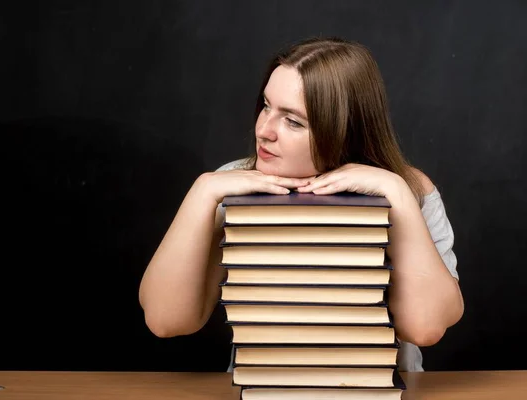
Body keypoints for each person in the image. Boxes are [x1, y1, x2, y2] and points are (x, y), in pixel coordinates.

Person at [138, 36, 464, 372]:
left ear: (345, 131)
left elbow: (425, 326)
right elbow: (165, 320)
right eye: (266, 105)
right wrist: (202, 191)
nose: (264, 130)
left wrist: (396, 193)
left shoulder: (410, 191)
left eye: (293, 121)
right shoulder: (228, 185)